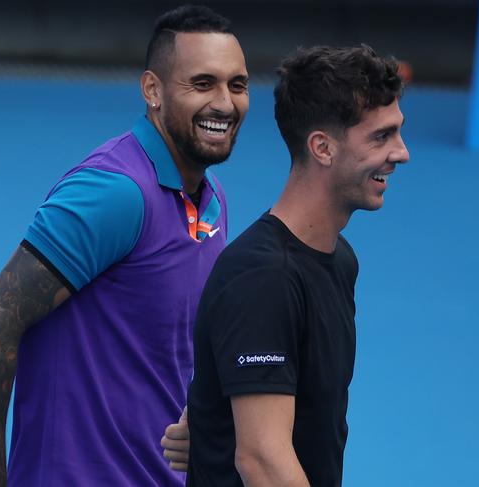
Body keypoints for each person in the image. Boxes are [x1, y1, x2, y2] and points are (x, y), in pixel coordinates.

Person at [0, 5, 249, 486]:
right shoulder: (114, 193)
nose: (224, 102)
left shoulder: (211, 196)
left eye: (236, 85)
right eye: (202, 84)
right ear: (153, 91)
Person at [185, 44, 410, 486]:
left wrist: (206, 418)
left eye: (397, 133)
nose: (401, 153)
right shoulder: (263, 278)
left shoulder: (340, 261)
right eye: (381, 137)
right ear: (322, 148)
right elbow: (262, 460)